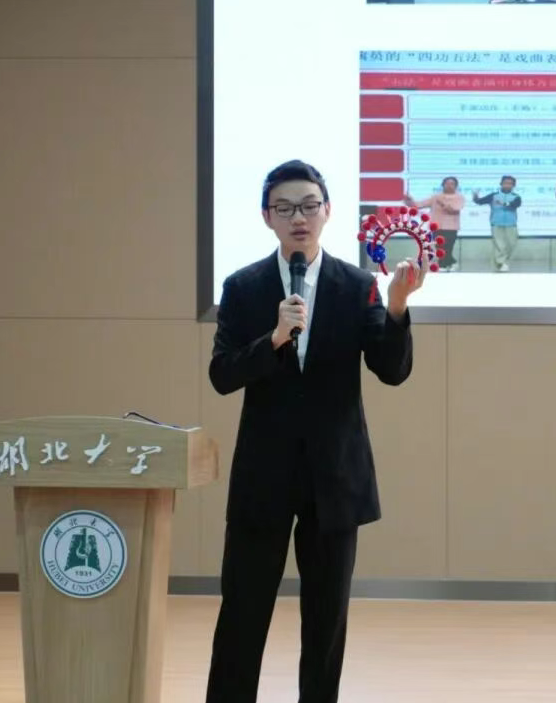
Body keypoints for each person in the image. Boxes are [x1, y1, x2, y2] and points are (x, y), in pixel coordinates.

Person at [205, 159, 427, 703]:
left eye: (308, 205)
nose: (298, 218)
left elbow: (392, 370)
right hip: (264, 475)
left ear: (327, 211)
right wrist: (274, 339)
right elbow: (222, 375)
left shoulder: (357, 286)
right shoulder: (244, 287)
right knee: (242, 614)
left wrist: (397, 306)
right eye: (284, 208)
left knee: (326, 622)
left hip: (335, 477)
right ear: (267, 217)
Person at [405, 177, 465, 271]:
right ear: (443, 185)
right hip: (437, 226)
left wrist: (442, 202)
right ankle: (446, 265)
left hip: (451, 227)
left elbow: (454, 209)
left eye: (452, 184)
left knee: (448, 248)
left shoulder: (459, 197)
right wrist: (409, 200)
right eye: (447, 183)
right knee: (439, 247)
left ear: (456, 186)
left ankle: (446, 264)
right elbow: (419, 205)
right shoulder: (436, 197)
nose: (449, 186)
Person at [472, 175, 522, 272]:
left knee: (511, 244)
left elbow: (516, 205)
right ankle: (501, 263)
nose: (507, 185)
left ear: (513, 185)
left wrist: (504, 203)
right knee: (499, 245)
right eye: (505, 183)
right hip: (496, 222)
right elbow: (480, 201)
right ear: (501, 184)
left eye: (510, 183)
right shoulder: (494, 196)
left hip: (511, 223)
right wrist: (475, 197)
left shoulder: (516, 197)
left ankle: (503, 262)